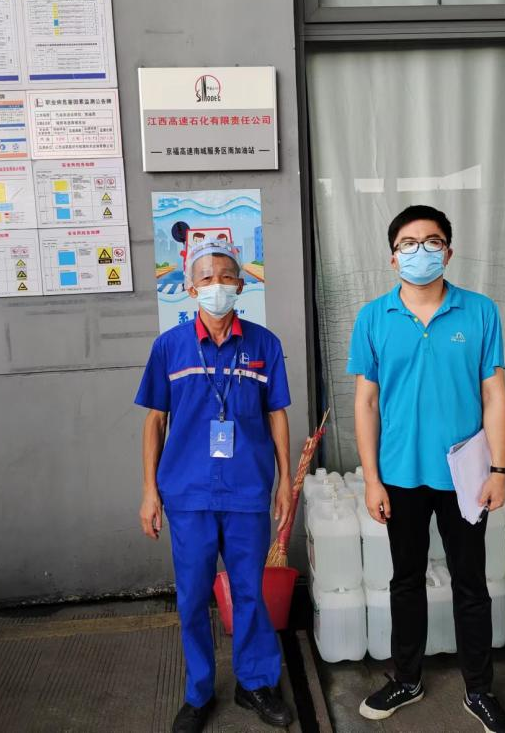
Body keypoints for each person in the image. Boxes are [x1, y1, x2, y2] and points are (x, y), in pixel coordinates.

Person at [349, 205, 505, 733]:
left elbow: (494, 395)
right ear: (392, 256)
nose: (419, 251)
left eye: (431, 241)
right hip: (399, 474)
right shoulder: (373, 317)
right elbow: (366, 404)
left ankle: (479, 690)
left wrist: (499, 469)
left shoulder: (480, 312)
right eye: (408, 243)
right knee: (405, 580)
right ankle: (407, 678)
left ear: (448, 251)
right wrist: (371, 479)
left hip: (465, 476)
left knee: (471, 582)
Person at [136, 238, 295, 733]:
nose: (216, 286)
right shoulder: (169, 347)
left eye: (226, 277)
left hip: (247, 491)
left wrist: (285, 481)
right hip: (188, 495)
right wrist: (149, 491)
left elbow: (277, 414)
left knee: (250, 592)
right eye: (206, 278)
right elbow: (154, 421)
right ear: (190, 288)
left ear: (241, 285)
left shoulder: (264, 345)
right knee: (191, 599)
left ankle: (255, 683)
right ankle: (199, 692)